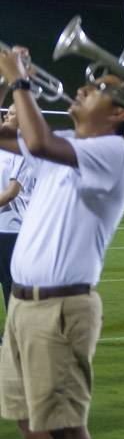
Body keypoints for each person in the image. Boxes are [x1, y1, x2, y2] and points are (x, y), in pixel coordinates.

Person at [0, 48, 124, 439]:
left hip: (60, 308)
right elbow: (16, 135)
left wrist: (21, 83)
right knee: (31, 425)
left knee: (64, 429)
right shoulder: (63, 145)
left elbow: (31, 136)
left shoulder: (112, 151)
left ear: (119, 113)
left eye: (96, 88)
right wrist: (10, 76)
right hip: (22, 306)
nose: (81, 88)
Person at [0, 108, 33, 316]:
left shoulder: (25, 149)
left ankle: (17, 334)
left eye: (11, 114)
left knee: (12, 286)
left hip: (13, 228)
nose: (5, 116)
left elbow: (12, 192)